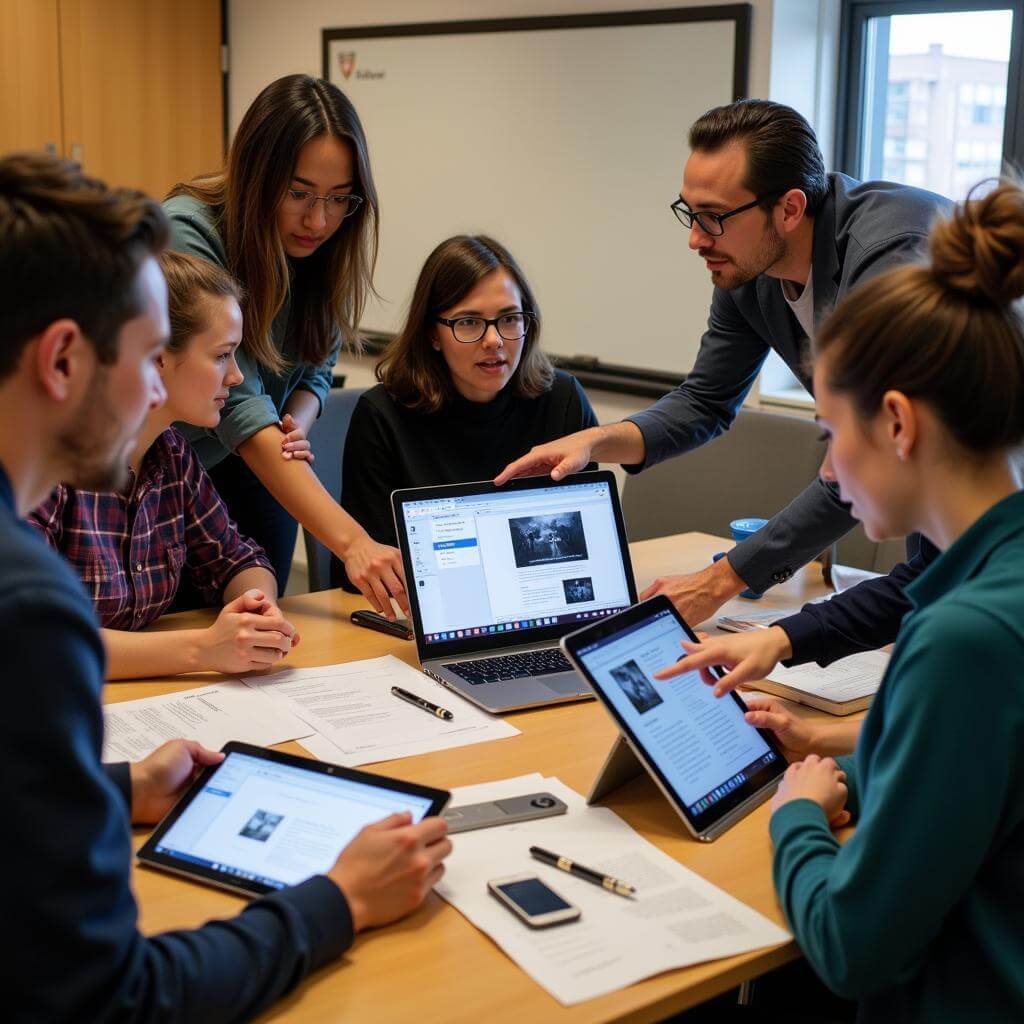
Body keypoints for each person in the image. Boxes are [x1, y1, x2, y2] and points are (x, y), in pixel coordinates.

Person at [1, 151, 450, 1023]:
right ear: (63, 360)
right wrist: (339, 900)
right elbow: (113, 1000)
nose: (157, 391)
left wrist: (120, 791)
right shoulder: (30, 607)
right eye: (143, 357)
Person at [673, 180, 1024, 1021]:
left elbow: (850, 944)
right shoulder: (993, 580)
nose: (828, 472)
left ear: (897, 424)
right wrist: (840, 750)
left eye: (832, 435)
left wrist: (796, 814)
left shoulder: (963, 638)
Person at [496, 99, 951, 627]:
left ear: (789, 208)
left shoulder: (891, 258)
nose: (695, 239)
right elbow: (705, 401)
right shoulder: (748, 272)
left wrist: (722, 580)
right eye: (689, 213)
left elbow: (871, 451)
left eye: (713, 218)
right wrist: (598, 441)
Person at [165, 73, 408, 617]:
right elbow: (240, 406)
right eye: (298, 194)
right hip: (180, 466)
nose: (318, 220)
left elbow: (316, 365)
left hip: (261, 457)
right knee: (173, 632)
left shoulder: (322, 240)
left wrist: (297, 417)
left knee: (254, 623)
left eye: (338, 199)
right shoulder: (189, 231)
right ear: (257, 173)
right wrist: (353, 544)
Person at [29, 251, 304, 680]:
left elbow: (237, 558)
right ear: (156, 356)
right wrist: (203, 649)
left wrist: (257, 608)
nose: (235, 376)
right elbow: (34, 637)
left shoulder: (171, 453)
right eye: (222, 355)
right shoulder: (44, 460)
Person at [332, 234, 597, 585]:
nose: (494, 341)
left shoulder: (562, 400)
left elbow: (591, 542)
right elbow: (369, 572)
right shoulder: (383, 416)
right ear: (432, 335)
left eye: (509, 319)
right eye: (469, 322)